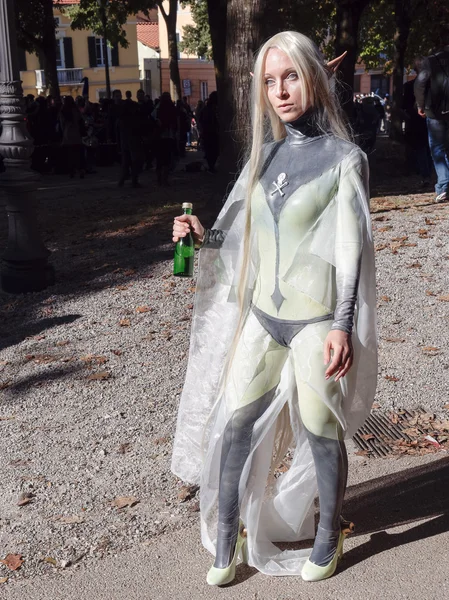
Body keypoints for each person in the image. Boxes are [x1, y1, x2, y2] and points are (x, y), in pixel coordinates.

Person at [171, 31, 377, 585]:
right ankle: (229, 536)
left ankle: (328, 537)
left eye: (290, 76)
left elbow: (349, 248)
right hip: (263, 320)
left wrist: (341, 325)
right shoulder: (262, 158)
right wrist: (198, 239)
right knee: (234, 424)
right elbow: (235, 246)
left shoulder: (345, 159)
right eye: (269, 80)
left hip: (315, 323)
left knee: (318, 427)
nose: (280, 90)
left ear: (312, 76)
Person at [414, 31, 449, 203]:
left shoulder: (431, 60)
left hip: (435, 112)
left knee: (437, 149)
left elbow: (420, 82)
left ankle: (443, 186)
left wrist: (420, 105)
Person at [403, 57, 432, 186]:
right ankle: (432, 173)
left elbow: (405, 106)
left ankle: (426, 175)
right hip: (430, 119)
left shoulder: (409, 86)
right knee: (432, 147)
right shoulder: (434, 85)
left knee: (422, 148)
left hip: (417, 121)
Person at [152, 92, 177, 186]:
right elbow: (175, 122)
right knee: (167, 159)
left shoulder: (157, 108)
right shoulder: (171, 108)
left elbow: (152, 118)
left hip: (159, 137)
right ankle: (164, 179)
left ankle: (159, 179)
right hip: (168, 136)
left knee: (159, 159)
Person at [58, 95, 86, 178]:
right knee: (78, 153)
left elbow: (62, 124)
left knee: (70, 154)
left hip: (67, 134)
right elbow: (81, 120)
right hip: (76, 134)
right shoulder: (76, 110)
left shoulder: (63, 111)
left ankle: (72, 170)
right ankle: (81, 169)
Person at [199, 91, 219, 172]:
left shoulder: (207, 109)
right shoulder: (210, 110)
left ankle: (211, 166)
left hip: (208, 133)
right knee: (212, 150)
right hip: (210, 133)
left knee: (211, 150)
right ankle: (211, 166)